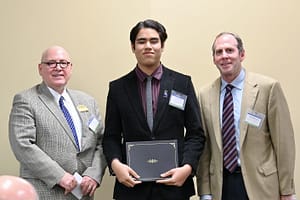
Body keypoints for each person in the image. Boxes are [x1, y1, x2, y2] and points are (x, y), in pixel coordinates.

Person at [102, 19, 205, 200]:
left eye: (154, 41)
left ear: (162, 45)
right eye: (141, 42)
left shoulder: (182, 83)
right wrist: (116, 165)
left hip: (174, 188)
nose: (148, 46)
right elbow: (111, 136)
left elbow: (196, 134)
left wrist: (187, 168)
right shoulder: (118, 88)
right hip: (132, 188)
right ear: (133, 47)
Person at [196, 32, 296, 200]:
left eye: (230, 50)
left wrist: (287, 190)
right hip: (221, 186)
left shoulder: (267, 88)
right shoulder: (204, 95)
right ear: (213, 59)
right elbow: (205, 149)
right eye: (219, 52)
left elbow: (283, 143)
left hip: (261, 185)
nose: (224, 56)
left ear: (242, 54)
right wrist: (205, 192)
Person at [9, 46, 107, 200]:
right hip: (46, 190)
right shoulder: (26, 100)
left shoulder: (88, 101)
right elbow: (22, 145)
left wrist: (93, 175)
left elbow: (101, 142)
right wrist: (60, 176)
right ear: (40, 69)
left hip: (83, 191)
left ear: (70, 68)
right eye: (51, 63)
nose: (58, 68)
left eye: (63, 63)